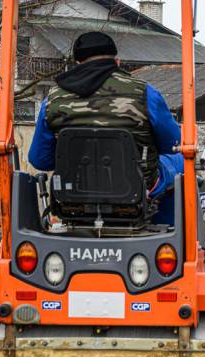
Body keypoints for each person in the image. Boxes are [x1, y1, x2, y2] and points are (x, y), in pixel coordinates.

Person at [28, 32, 183, 224]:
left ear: (77, 64)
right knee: (181, 160)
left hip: (73, 193)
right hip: (137, 189)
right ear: (117, 62)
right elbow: (173, 143)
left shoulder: (51, 100)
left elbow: (40, 160)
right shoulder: (145, 93)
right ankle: (169, 230)